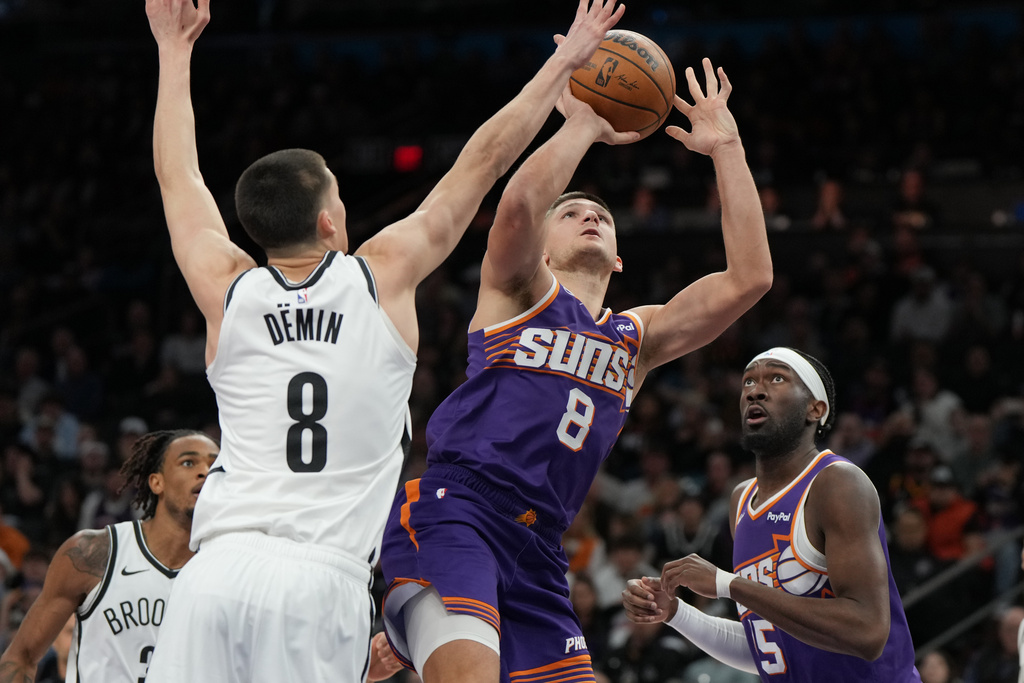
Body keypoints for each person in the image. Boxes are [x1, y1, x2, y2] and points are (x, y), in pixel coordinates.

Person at [141, 0, 633, 681]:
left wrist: (173, 51)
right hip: (318, 581)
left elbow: (179, 179)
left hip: (214, 575)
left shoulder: (225, 289)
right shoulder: (382, 274)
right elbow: (483, 161)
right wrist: (565, 62)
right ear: (328, 221)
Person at [380, 57, 772, 683]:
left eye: (602, 217)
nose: (590, 216)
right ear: (542, 246)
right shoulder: (518, 291)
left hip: (539, 545)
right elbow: (517, 207)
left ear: (618, 260)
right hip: (461, 510)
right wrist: (583, 125)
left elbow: (750, 279)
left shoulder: (636, 340)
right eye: (570, 214)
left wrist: (727, 148)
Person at [621, 347, 922, 682]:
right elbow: (772, 650)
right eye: (748, 381)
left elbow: (868, 632)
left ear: (815, 409)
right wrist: (676, 613)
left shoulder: (836, 482)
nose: (755, 390)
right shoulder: (741, 500)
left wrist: (728, 584)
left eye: (777, 378)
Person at [0, 429, 217, 682]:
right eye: (189, 462)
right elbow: (21, 656)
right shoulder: (94, 552)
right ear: (156, 482)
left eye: (215, 466)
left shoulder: (232, 567)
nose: (205, 472)